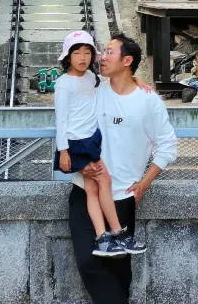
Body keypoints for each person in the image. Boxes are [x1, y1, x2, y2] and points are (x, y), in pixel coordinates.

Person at [68, 34, 177, 304]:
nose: (101, 57)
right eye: (102, 51)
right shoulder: (91, 89)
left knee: (119, 270)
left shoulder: (148, 101)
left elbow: (167, 147)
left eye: (109, 52)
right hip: (85, 192)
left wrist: (144, 184)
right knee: (88, 262)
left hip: (122, 198)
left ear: (127, 60)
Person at [54, 31, 147, 259]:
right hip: (78, 142)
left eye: (87, 53)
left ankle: (104, 237)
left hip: (90, 139)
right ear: (68, 57)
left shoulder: (91, 78)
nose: (83, 58)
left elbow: (113, 82)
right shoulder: (63, 84)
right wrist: (63, 151)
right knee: (103, 180)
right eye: (77, 53)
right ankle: (114, 233)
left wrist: (136, 79)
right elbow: (61, 120)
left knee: (93, 187)